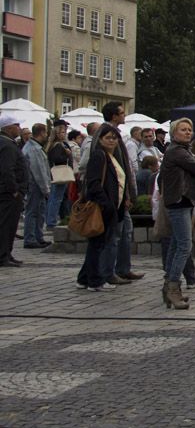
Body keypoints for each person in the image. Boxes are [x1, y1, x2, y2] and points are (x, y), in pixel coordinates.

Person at [160, 118, 195, 308]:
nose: (188, 132)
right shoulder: (177, 151)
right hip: (179, 201)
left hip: (183, 200)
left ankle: (168, 285)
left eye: (190, 129)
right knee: (184, 246)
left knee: (175, 244)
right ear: (174, 133)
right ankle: (173, 287)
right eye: (183, 129)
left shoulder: (182, 151)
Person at [75, 124, 127, 291]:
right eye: (108, 138)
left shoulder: (110, 156)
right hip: (102, 207)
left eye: (114, 137)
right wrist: (106, 203)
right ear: (100, 139)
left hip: (110, 206)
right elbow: (94, 183)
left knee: (97, 244)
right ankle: (95, 281)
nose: (112, 141)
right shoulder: (99, 155)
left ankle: (84, 278)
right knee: (98, 244)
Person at [100, 101, 141, 283]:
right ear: (114, 115)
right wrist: (123, 196)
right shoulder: (106, 133)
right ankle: (108, 273)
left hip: (121, 193)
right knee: (114, 235)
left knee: (125, 232)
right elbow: (112, 168)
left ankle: (123, 268)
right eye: (122, 112)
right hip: (113, 195)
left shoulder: (115, 133)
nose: (124, 115)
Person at [0, 114, 27, 267]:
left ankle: (7, 253)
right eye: (17, 125)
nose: (20, 128)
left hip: (9, 191)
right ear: (9, 128)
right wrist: (14, 189)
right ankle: (3, 255)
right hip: (9, 193)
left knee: (10, 225)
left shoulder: (8, 143)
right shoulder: (7, 145)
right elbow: (7, 169)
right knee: (6, 225)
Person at [21, 122, 50, 249]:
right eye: (46, 132)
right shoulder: (34, 149)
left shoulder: (34, 147)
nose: (47, 135)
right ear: (42, 133)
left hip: (36, 185)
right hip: (35, 185)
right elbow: (38, 171)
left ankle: (38, 237)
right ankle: (30, 238)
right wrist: (46, 188)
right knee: (33, 212)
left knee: (40, 212)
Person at [46, 121, 73, 228]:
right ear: (57, 134)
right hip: (59, 173)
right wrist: (66, 155)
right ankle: (51, 221)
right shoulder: (58, 145)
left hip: (58, 173)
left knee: (56, 198)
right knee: (56, 198)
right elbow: (56, 159)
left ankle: (52, 219)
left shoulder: (58, 144)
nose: (64, 134)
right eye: (62, 132)